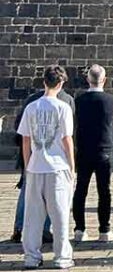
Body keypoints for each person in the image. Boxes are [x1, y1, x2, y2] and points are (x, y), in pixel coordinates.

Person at [17, 65, 75, 269]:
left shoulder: (31, 107)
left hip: (35, 166)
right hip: (57, 167)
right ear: (60, 84)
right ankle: (61, 256)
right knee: (59, 214)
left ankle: (31, 256)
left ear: (44, 82)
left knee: (33, 216)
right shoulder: (63, 108)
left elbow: (25, 139)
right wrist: (72, 167)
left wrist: (27, 164)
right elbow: (67, 139)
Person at [11, 86, 72, 243]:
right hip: (56, 158)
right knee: (52, 196)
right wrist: (71, 163)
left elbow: (20, 130)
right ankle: (45, 229)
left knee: (28, 192)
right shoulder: (66, 101)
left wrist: (26, 158)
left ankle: (19, 227)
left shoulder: (32, 101)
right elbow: (69, 133)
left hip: (33, 154)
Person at [72, 64, 113, 243]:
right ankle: (104, 229)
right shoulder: (110, 100)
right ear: (104, 80)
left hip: (84, 149)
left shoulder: (80, 100)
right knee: (104, 191)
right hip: (104, 150)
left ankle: (79, 229)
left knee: (81, 189)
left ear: (88, 80)